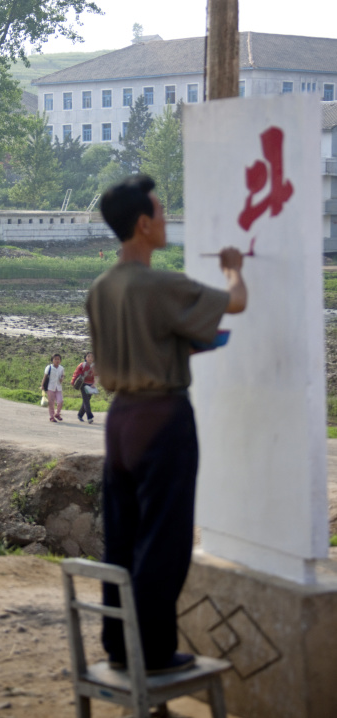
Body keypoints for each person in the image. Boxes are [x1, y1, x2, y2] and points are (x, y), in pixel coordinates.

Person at [86, 175, 247, 674]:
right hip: (163, 416)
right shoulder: (160, 283)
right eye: (160, 210)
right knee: (165, 538)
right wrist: (233, 271)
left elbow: (130, 345)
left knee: (123, 533)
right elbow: (236, 303)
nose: (165, 218)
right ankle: (154, 652)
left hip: (122, 419)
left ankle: (119, 643)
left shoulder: (101, 287)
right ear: (142, 224)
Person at [71, 352, 97, 424]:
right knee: (86, 401)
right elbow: (76, 374)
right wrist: (73, 382)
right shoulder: (82, 365)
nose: (90, 358)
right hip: (83, 384)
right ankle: (89, 417)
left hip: (91, 385)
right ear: (85, 358)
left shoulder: (94, 366)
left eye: (92, 357)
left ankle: (80, 415)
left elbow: (97, 376)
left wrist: (94, 384)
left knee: (86, 401)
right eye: (88, 356)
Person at [41, 353, 65, 423]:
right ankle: (51, 416)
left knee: (60, 401)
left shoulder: (61, 368)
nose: (57, 360)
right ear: (52, 360)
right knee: (51, 403)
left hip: (58, 387)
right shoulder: (49, 367)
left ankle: (57, 414)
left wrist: (62, 378)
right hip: (50, 387)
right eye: (55, 359)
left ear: (60, 360)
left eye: (58, 359)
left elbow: (63, 375)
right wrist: (42, 385)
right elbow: (45, 377)